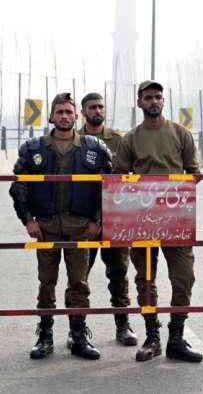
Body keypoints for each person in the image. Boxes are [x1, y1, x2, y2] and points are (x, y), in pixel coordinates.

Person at [10, 93, 112, 361]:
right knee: (47, 283)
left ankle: (78, 337)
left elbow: (109, 188)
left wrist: (97, 221)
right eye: (59, 112)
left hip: (81, 227)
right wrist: (28, 220)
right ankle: (45, 337)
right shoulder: (34, 149)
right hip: (46, 227)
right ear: (52, 116)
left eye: (68, 112)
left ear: (75, 116)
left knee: (79, 284)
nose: (64, 116)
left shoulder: (95, 149)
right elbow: (19, 186)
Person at [114, 80, 203, 363]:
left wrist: (169, 190)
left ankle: (176, 337)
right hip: (143, 220)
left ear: (164, 102)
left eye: (158, 97)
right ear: (139, 103)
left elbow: (194, 174)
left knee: (184, 277)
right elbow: (119, 178)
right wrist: (143, 192)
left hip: (175, 218)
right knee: (145, 280)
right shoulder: (130, 139)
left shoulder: (181, 134)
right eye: (148, 97)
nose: (154, 101)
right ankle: (152, 336)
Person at [78, 92, 137, 346]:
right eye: (92, 107)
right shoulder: (74, 140)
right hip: (82, 220)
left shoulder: (119, 140)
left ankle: (123, 326)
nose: (97, 111)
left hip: (114, 218)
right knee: (79, 277)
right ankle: (77, 329)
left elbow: (128, 176)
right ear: (83, 112)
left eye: (100, 107)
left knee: (119, 273)